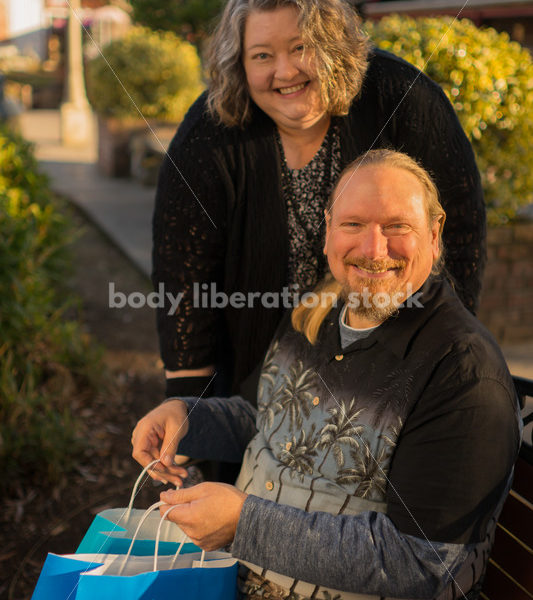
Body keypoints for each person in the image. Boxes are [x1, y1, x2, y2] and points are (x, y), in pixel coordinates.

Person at [133, 150, 520, 600]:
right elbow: (263, 419)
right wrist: (188, 419)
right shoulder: (312, 315)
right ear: (328, 230)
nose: (374, 249)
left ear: (434, 235)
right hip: (227, 583)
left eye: (397, 226)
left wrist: (245, 524)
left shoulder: (463, 374)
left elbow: (425, 566)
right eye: (353, 224)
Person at [153, 0, 486, 399]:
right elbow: (183, 276)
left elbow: (461, 232)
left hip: (395, 373)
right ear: (239, 65)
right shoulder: (207, 134)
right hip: (257, 383)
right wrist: (190, 401)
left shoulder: (401, 98)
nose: (285, 71)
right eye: (262, 55)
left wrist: (441, 355)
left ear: (332, 44)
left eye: (300, 47)